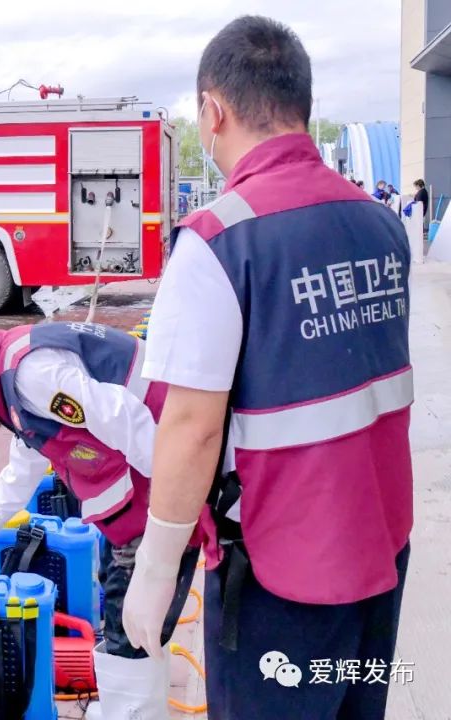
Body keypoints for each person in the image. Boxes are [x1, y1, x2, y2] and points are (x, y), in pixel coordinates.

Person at [122, 15, 412, 720]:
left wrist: (155, 576)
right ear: (301, 105)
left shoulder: (219, 242)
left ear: (213, 112)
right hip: (382, 552)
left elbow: (190, 429)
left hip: (282, 580)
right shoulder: (381, 224)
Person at [0, 319, 206, 720]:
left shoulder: (32, 374)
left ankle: (133, 711)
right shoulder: (10, 377)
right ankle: (131, 706)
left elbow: (125, 418)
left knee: (131, 624)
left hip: (160, 481)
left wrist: (166, 518)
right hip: (144, 486)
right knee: (131, 613)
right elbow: (28, 459)